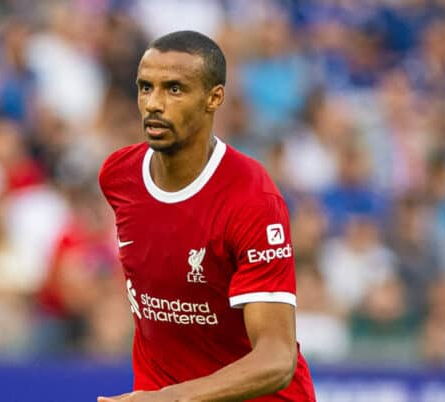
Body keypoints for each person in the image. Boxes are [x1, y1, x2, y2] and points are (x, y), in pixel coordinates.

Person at [98, 30, 316, 401]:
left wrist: (170, 398)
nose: (154, 103)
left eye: (174, 89)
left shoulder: (252, 200)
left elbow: (278, 359)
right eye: (145, 87)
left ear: (214, 98)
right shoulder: (119, 175)